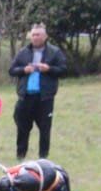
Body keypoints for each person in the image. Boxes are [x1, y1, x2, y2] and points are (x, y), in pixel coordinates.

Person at [8, 24, 67, 161]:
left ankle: (43, 159)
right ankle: (20, 157)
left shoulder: (54, 52)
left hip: (44, 98)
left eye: (38, 34)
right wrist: (23, 70)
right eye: (33, 34)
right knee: (22, 128)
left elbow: (63, 70)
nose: (35, 37)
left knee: (45, 129)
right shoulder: (23, 52)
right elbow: (11, 70)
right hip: (25, 96)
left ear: (45, 36)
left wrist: (49, 69)